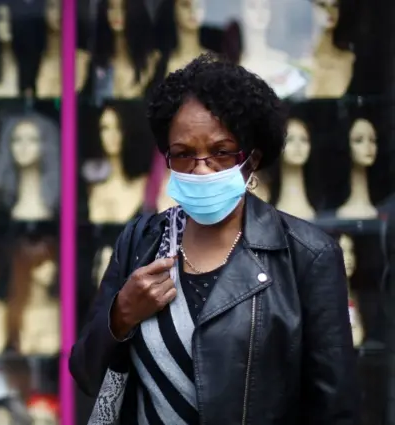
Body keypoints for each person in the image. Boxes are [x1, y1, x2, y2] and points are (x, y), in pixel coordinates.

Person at [69, 53, 358, 425]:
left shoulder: (307, 256)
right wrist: (120, 315)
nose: (201, 168)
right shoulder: (139, 244)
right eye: (184, 154)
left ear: (250, 159)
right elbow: (85, 373)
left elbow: (336, 409)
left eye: (220, 152)